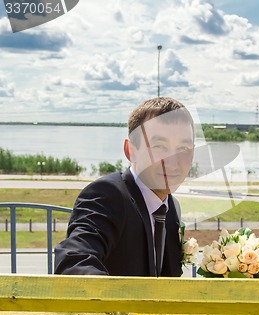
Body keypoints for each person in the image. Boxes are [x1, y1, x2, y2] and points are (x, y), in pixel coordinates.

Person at [55, 97, 194, 277]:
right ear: (130, 151)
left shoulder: (171, 207)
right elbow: (74, 261)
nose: (173, 162)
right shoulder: (107, 195)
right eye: (159, 146)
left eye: (183, 148)